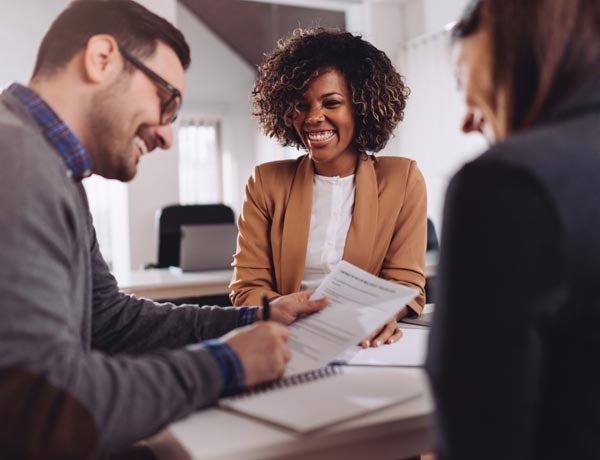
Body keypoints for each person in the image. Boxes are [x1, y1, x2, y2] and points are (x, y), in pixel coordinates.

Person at [0, 1, 327, 459]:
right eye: (166, 100)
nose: (168, 136)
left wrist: (253, 319)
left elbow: (108, 321)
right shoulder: (16, 159)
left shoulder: (54, 169)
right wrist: (227, 364)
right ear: (101, 59)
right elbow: (43, 406)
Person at [425, 0, 600, 459]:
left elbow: (478, 440)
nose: (467, 120)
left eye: (466, 83)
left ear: (520, 48)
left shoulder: (507, 185)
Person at [229, 28, 427, 348]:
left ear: (361, 107)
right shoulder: (266, 182)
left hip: (366, 344)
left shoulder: (402, 179)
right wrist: (291, 313)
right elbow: (247, 287)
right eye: (301, 105)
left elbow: (407, 283)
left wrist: (382, 315)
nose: (313, 118)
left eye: (331, 103)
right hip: (289, 340)